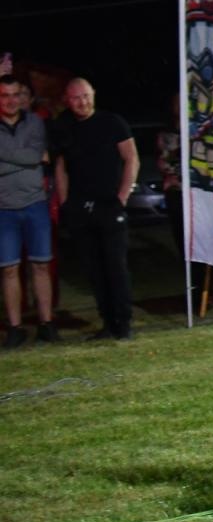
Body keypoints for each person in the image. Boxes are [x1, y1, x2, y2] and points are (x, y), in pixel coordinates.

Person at [54, 78, 138, 341]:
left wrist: (122, 197)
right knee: (93, 269)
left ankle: (123, 323)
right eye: (77, 98)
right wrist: (66, 202)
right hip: (81, 208)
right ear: (67, 100)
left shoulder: (112, 122)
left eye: (87, 96)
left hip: (109, 206)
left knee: (115, 266)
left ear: (94, 95)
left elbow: (131, 158)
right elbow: (60, 167)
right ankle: (107, 321)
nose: (83, 102)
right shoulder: (63, 127)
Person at [0, 74, 56, 346]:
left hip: (35, 204)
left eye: (15, 95)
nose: (11, 101)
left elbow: (41, 155)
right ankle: (15, 327)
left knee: (41, 266)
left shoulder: (35, 122)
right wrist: (30, 159)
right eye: (5, 95)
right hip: (3, 208)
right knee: (9, 269)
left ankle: (47, 323)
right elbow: (34, 157)